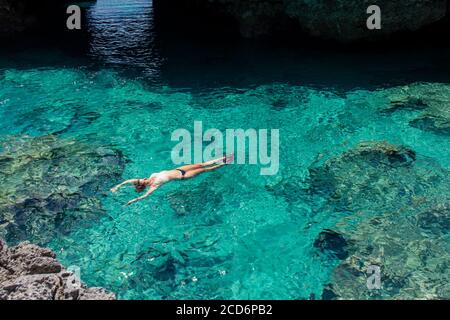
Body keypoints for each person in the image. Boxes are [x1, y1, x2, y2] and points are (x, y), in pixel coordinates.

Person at [110, 154, 233, 205]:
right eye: (141, 180)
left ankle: (224, 157)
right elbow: (145, 196)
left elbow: (128, 181)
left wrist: (117, 187)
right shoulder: (154, 185)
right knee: (206, 170)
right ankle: (224, 163)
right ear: (142, 184)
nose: (142, 178)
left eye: (140, 179)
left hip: (179, 169)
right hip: (183, 176)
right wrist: (131, 201)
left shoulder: (149, 177)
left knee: (202, 164)